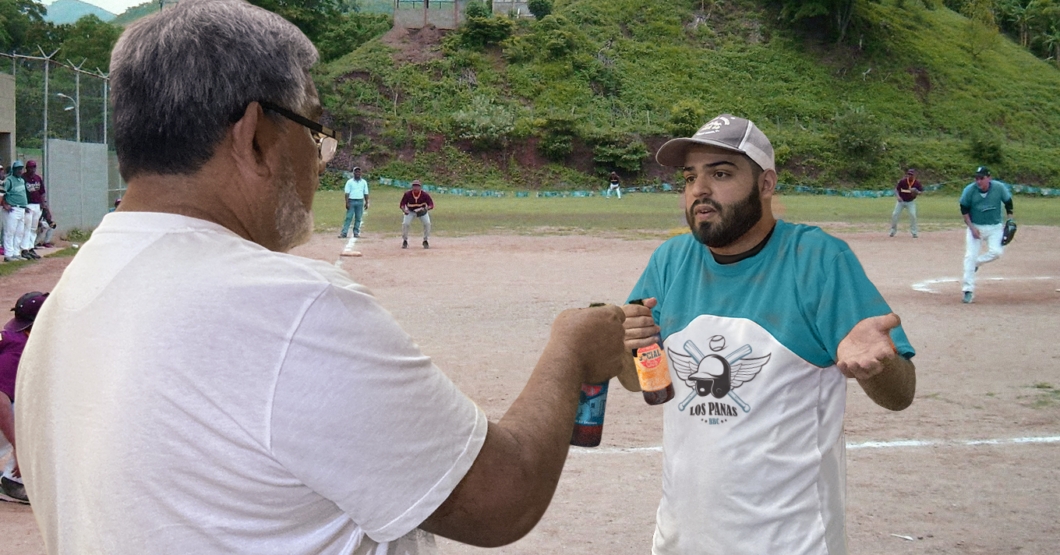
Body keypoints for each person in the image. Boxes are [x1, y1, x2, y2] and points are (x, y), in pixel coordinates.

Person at [15, 2, 632, 554]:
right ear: (255, 137)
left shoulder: (76, 287)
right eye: (315, 131)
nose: (319, 158)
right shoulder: (287, 305)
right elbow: (503, 499)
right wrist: (572, 348)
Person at [619, 114, 917, 555]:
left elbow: (900, 394)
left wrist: (879, 365)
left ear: (766, 184)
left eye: (720, 173)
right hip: (682, 537)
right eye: (689, 177)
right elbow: (641, 381)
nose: (699, 189)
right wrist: (634, 351)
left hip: (791, 540)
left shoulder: (817, 259)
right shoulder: (669, 261)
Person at [0, 291, 48, 505]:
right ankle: (14, 481)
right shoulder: (19, 348)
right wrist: (20, 446)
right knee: (35, 404)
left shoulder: (15, 338)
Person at [959, 165, 1014, 304]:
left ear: (989, 178)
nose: (978, 181)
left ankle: (977, 263)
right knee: (969, 256)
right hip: (975, 226)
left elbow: (1008, 203)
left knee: (996, 252)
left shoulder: (999, 188)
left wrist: (1010, 220)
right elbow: (964, 210)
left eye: (981, 178)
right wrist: (972, 228)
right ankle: (968, 290)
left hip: (995, 227)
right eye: (976, 178)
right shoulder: (969, 191)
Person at [1, 161, 31, 262]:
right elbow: (2, 193)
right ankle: (8, 254)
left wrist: (25, 206)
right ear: (13, 169)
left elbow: (22, 194)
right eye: (17, 168)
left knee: (19, 232)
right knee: (10, 232)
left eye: (21, 169)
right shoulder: (9, 180)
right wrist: (4, 204)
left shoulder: (21, 180)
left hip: (21, 209)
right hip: (12, 208)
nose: (19, 170)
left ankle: (16, 253)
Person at [22, 160, 47, 258]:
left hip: (37, 205)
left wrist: (42, 203)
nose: (32, 169)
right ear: (27, 168)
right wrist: (24, 205)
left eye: (34, 167)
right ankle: (24, 249)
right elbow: (22, 193)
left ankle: (31, 247)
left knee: (33, 228)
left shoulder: (38, 178)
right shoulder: (23, 178)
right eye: (30, 167)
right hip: (28, 205)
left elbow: (42, 192)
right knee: (27, 228)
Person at [400, 179, 434, 249]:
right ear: (412, 187)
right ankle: (405, 240)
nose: (416, 188)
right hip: (410, 211)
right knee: (405, 224)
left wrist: (425, 209)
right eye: (414, 186)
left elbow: (431, 204)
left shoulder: (424, 194)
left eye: (417, 186)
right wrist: (404, 210)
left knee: (427, 223)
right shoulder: (407, 194)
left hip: (421, 211)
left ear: (420, 187)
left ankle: (425, 240)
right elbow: (402, 204)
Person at [889, 168, 922, 238]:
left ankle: (914, 232)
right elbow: (896, 189)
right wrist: (898, 196)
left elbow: (921, 192)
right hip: (901, 201)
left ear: (914, 175)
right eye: (909, 174)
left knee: (913, 215)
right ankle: (893, 231)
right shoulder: (903, 181)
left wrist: (916, 191)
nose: (910, 176)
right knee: (895, 214)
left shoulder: (916, 183)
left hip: (910, 202)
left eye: (911, 175)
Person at [339, 166, 369, 239]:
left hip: (360, 201)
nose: (357, 173)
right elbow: (347, 193)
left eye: (359, 171)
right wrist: (347, 202)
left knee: (358, 218)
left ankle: (356, 233)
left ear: (361, 173)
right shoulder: (349, 182)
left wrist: (366, 202)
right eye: (356, 171)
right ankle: (344, 233)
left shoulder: (364, 182)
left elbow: (366, 193)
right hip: (351, 201)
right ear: (353, 173)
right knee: (349, 217)